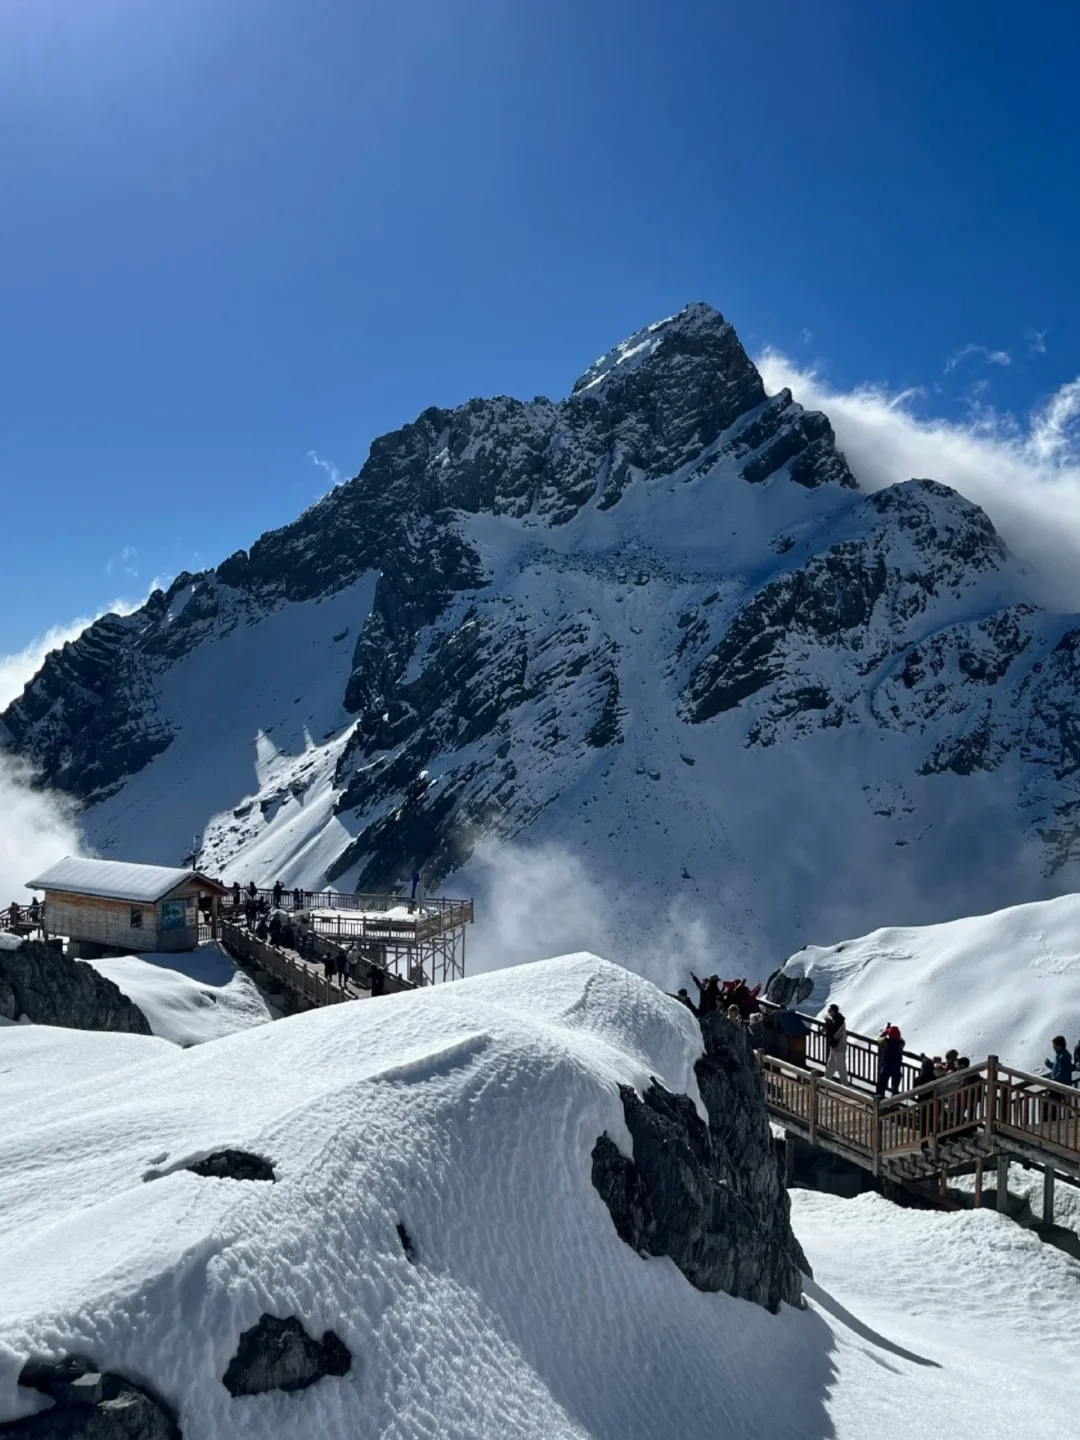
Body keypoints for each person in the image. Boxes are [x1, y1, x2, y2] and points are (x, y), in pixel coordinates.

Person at [875, 1024, 905, 1098]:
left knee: (882, 1085)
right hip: (897, 1068)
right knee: (895, 1088)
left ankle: (880, 1101)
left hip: (886, 1067)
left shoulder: (886, 1042)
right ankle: (894, 1103)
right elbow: (902, 1040)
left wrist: (885, 1033)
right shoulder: (901, 1043)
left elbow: (878, 1040)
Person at [823, 1004, 849, 1084]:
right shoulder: (835, 1019)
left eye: (830, 1010)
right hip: (834, 1046)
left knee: (841, 1067)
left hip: (839, 1047)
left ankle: (845, 1085)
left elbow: (835, 1034)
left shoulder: (839, 1021)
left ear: (834, 1011)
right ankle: (826, 1081)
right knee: (830, 1065)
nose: (829, 1012)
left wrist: (828, 1025)